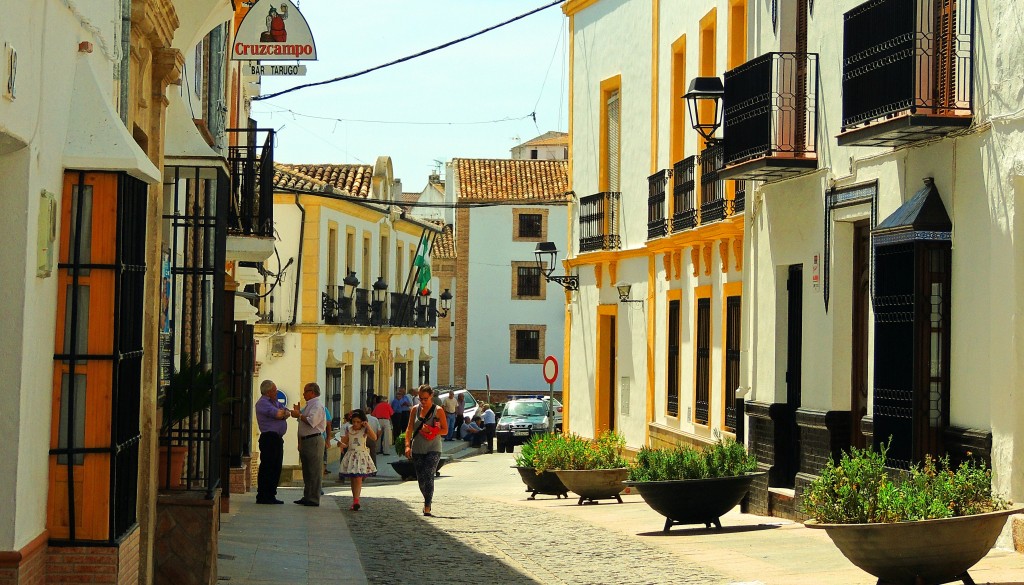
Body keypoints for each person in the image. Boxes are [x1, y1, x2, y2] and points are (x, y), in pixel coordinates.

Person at [404, 384, 448, 516]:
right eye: (420, 398)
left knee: (429, 474)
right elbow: (409, 428)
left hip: (433, 448)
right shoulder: (414, 410)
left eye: (425, 399)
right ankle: (426, 498)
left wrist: (432, 430)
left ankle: (427, 505)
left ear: (431, 397)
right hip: (418, 448)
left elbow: (445, 430)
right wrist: (407, 445)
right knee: (421, 479)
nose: (422, 401)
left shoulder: (438, 410)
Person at [254, 380, 290, 504]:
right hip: (269, 438)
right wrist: (283, 413)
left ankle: (271, 494)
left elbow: (286, 412)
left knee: (276, 466)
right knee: (268, 466)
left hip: (277, 439)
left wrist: (284, 413)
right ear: (268, 392)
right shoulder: (263, 403)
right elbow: (279, 414)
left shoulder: (274, 402)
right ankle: (264, 495)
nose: (276, 392)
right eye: (275, 390)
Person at [291, 382, 326, 506]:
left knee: (314, 470)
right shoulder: (309, 405)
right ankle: (307, 496)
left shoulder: (317, 405)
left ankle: (314, 498)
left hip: (314, 440)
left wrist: (299, 415)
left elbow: (312, 421)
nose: (303, 394)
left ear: (312, 392)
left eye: (305, 391)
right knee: (307, 470)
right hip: (306, 440)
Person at [338, 409, 377, 511]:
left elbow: (374, 437)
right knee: (353, 478)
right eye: (354, 421)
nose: (355, 424)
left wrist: (367, 426)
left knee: (358, 478)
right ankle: (354, 499)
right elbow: (345, 442)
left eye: (358, 422)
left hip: (361, 456)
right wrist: (340, 444)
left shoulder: (365, 430)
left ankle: (356, 500)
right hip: (351, 455)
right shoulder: (349, 430)